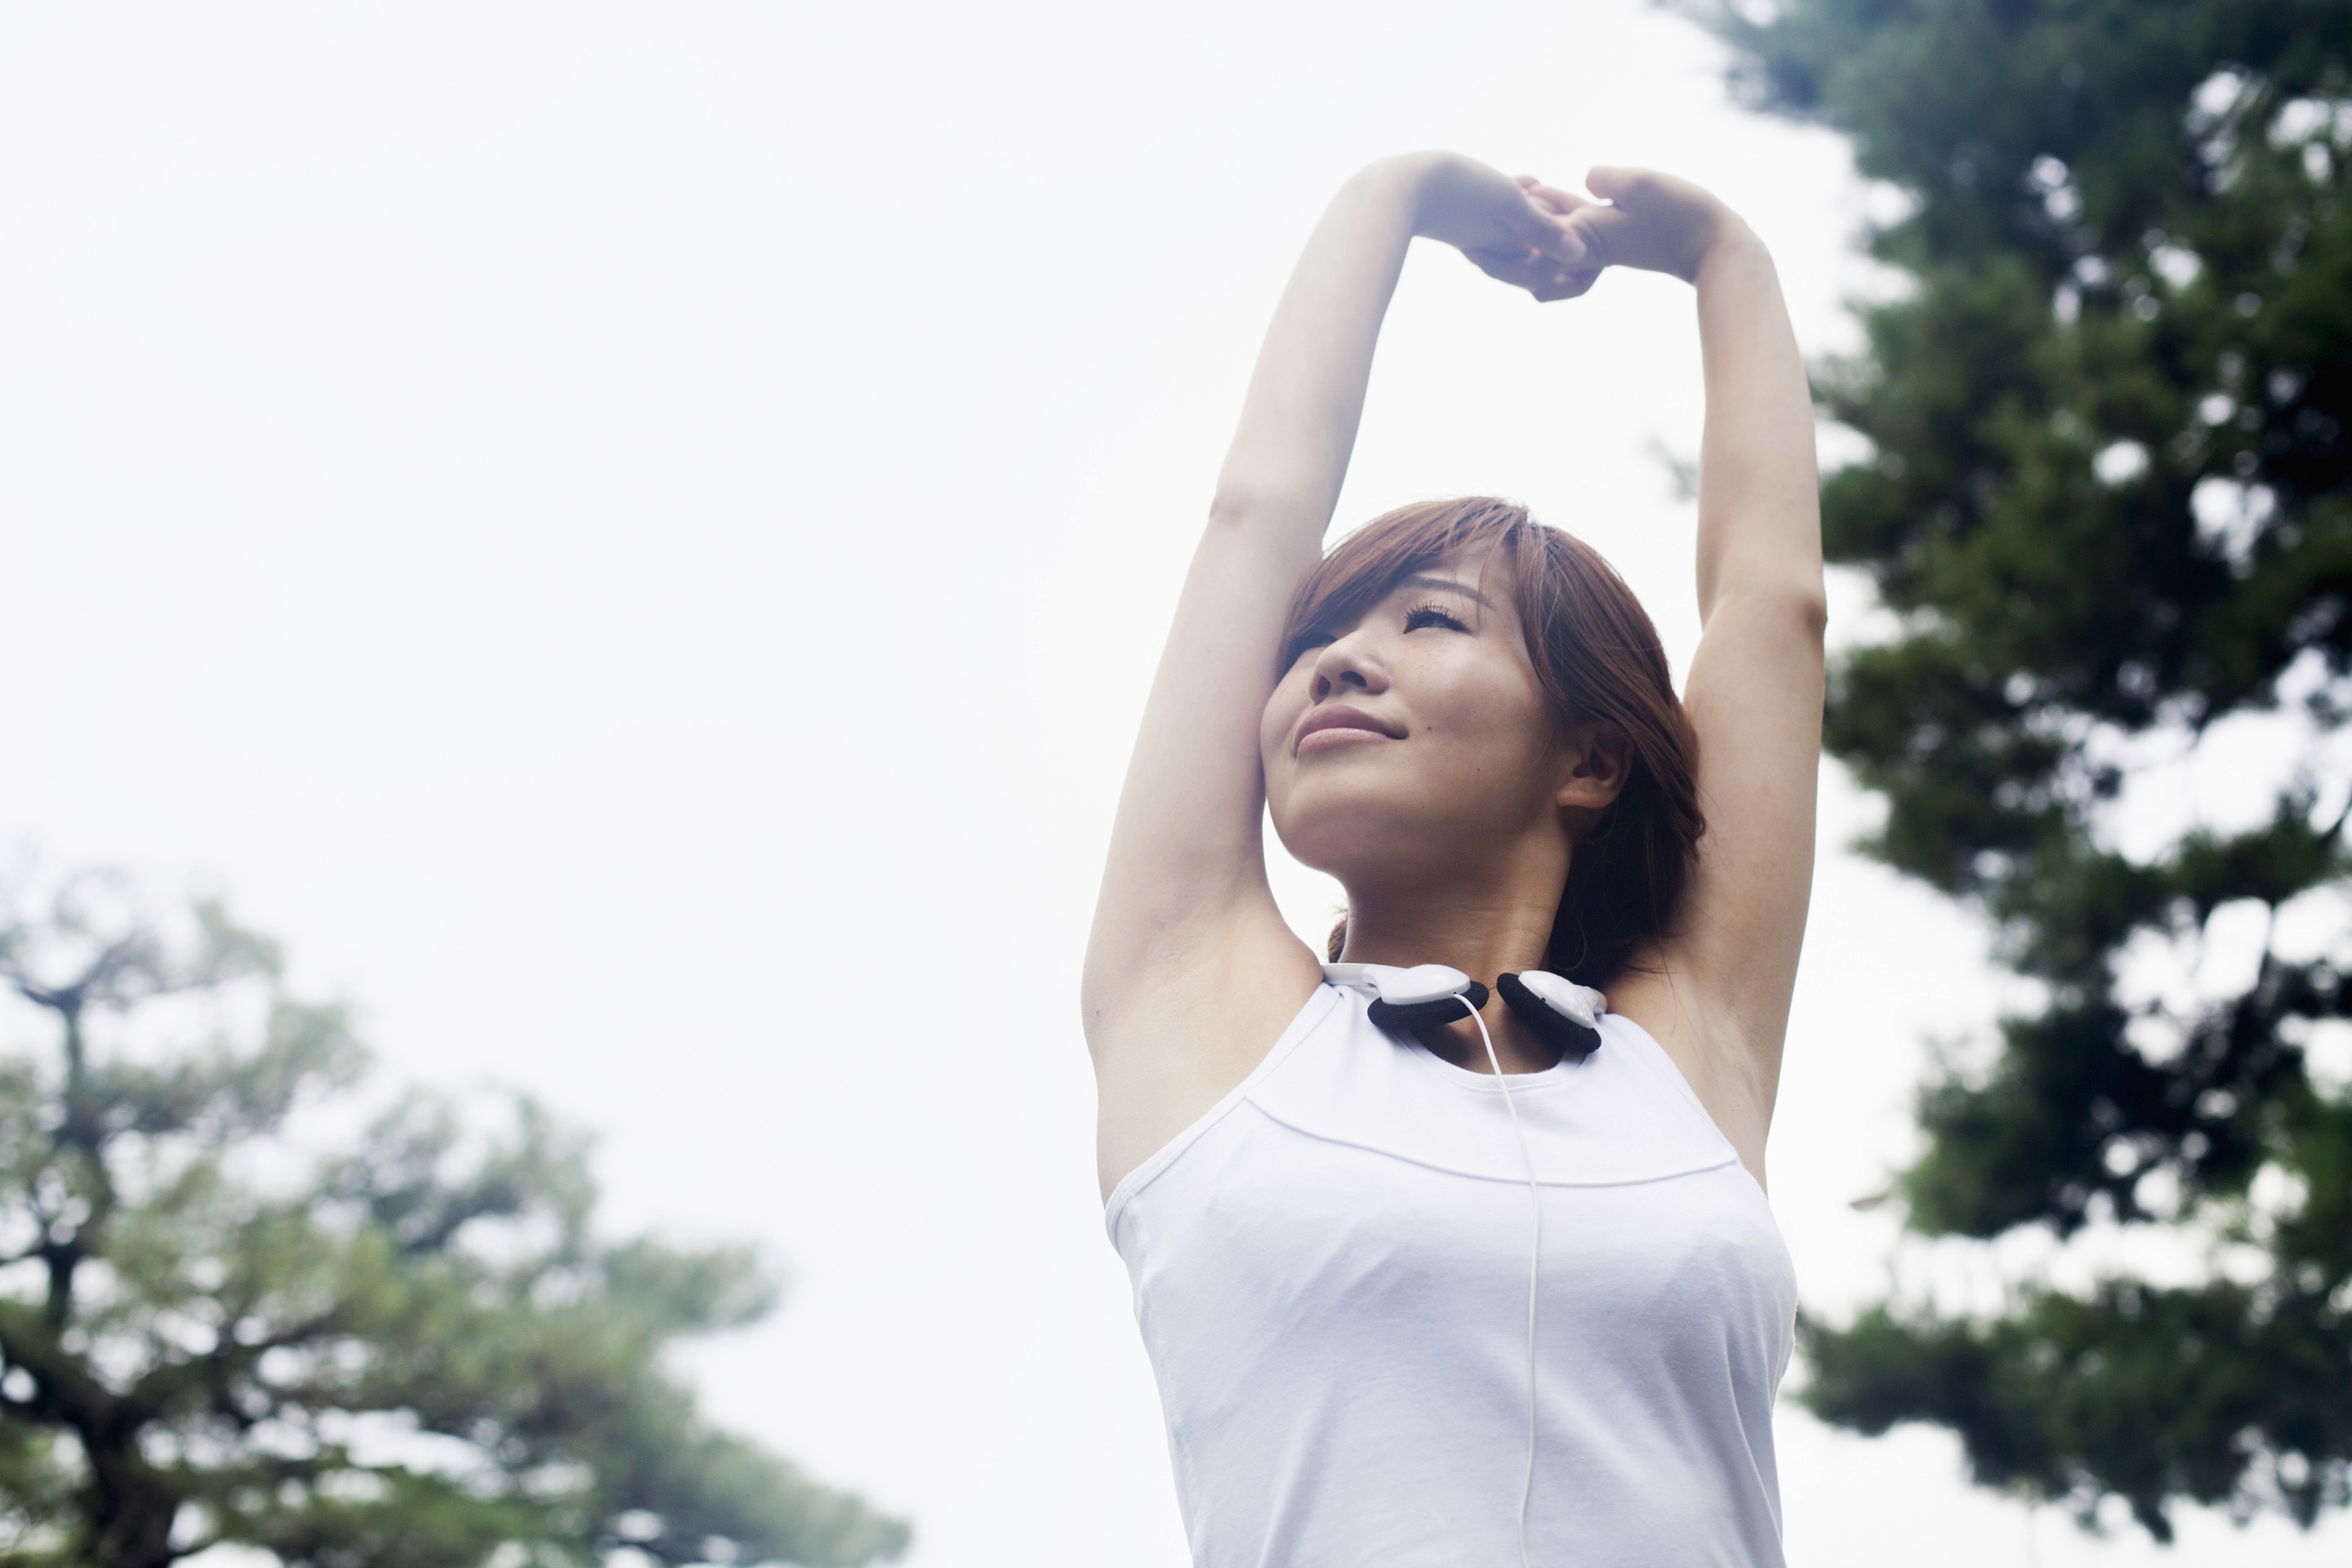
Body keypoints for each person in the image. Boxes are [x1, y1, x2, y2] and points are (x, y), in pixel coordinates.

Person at [1083, 150, 1822, 1568]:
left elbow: (1771, 609)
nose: (1338, 662)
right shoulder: (1209, 1022)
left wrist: (1728, 261)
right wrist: (1395, 198)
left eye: (1427, 622)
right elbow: (1257, 516)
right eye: (1311, 644)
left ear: (1590, 761)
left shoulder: (1689, 1057)